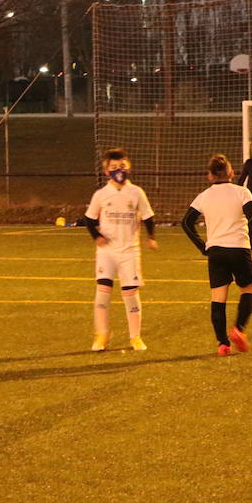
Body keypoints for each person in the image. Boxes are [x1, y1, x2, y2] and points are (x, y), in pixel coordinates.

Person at [182, 154, 252, 356]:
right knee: (248, 290)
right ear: (231, 172)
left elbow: (186, 223)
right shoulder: (241, 192)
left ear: (209, 175)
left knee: (218, 299)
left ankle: (223, 344)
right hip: (239, 249)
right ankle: (238, 329)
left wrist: (203, 247)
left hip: (217, 252)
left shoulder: (204, 196)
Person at [84, 148, 157, 352]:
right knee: (102, 293)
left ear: (129, 167)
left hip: (129, 251)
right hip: (107, 251)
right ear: (107, 171)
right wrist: (96, 236)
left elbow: (148, 217)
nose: (119, 170)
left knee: (130, 293)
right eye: (114, 167)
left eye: (122, 166)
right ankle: (102, 335)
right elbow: (89, 219)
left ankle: (135, 337)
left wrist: (151, 237)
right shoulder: (101, 194)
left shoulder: (136, 192)